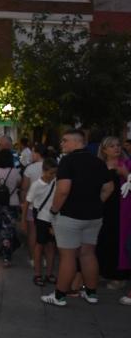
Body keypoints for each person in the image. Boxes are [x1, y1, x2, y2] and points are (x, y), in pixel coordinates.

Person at [41, 129, 113, 307]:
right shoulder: (98, 162)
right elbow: (109, 187)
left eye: (65, 141)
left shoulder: (68, 161)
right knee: (88, 254)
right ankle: (91, 293)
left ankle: (60, 296)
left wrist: (54, 210)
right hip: (94, 216)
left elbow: (63, 189)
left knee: (68, 256)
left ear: (77, 142)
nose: (62, 144)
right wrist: (96, 203)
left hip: (70, 216)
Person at [96, 137, 131, 289]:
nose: (116, 148)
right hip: (104, 209)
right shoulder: (100, 166)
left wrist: (125, 173)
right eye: (111, 146)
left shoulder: (126, 164)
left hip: (122, 209)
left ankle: (119, 277)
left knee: (119, 241)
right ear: (104, 150)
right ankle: (105, 272)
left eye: (118, 145)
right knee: (103, 239)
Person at [23, 158, 58, 286]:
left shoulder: (56, 182)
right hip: (41, 219)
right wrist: (24, 221)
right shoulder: (36, 185)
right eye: (51, 173)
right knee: (39, 245)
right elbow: (27, 202)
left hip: (54, 219)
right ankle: (37, 273)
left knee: (51, 247)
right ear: (44, 171)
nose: (53, 176)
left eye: (55, 173)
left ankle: (49, 273)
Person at [20, 144, 46, 266]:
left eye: (33, 152)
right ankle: (44, 258)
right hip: (48, 206)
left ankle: (33, 258)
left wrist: (23, 203)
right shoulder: (52, 166)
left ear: (37, 153)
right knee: (46, 234)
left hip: (32, 205)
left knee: (33, 233)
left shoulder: (30, 169)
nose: (31, 155)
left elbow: (24, 188)